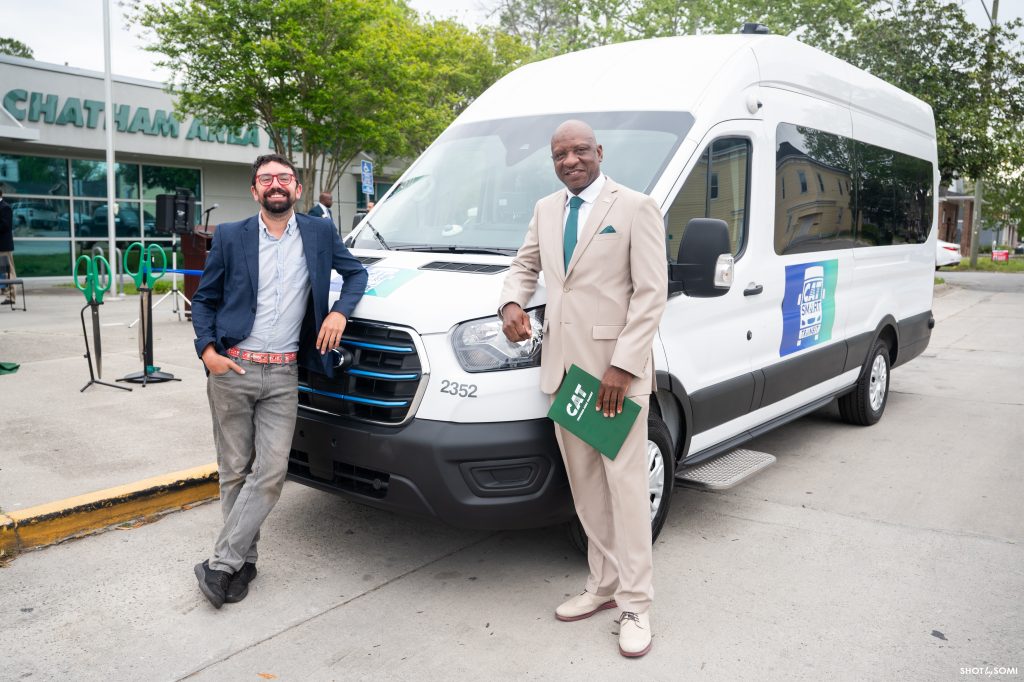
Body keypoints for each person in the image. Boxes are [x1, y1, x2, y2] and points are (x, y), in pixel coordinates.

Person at [498, 120, 667, 658]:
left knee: (626, 490)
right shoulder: (548, 210)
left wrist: (622, 365)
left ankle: (637, 603)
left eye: (578, 151)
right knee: (587, 488)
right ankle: (603, 585)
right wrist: (511, 304)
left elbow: (650, 295)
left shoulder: (635, 207)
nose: (569, 161)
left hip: (614, 378)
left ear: (599, 152)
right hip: (565, 374)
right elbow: (525, 265)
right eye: (559, 154)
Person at [190, 154, 368, 609]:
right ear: (255, 191)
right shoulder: (231, 236)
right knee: (234, 472)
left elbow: (356, 274)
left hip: (285, 372)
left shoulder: (319, 232)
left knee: (269, 473)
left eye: (284, 178)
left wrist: (338, 312)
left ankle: (219, 563)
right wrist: (209, 353)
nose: (276, 185)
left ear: (297, 189)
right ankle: (242, 563)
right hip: (233, 369)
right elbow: (205, 299)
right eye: (267, 179)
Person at [0, 189, 15, 305]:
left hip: (3, 246)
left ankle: (11, 296)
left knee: (8, 271)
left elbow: (5, 225)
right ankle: (4, 292)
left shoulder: (5, 207)